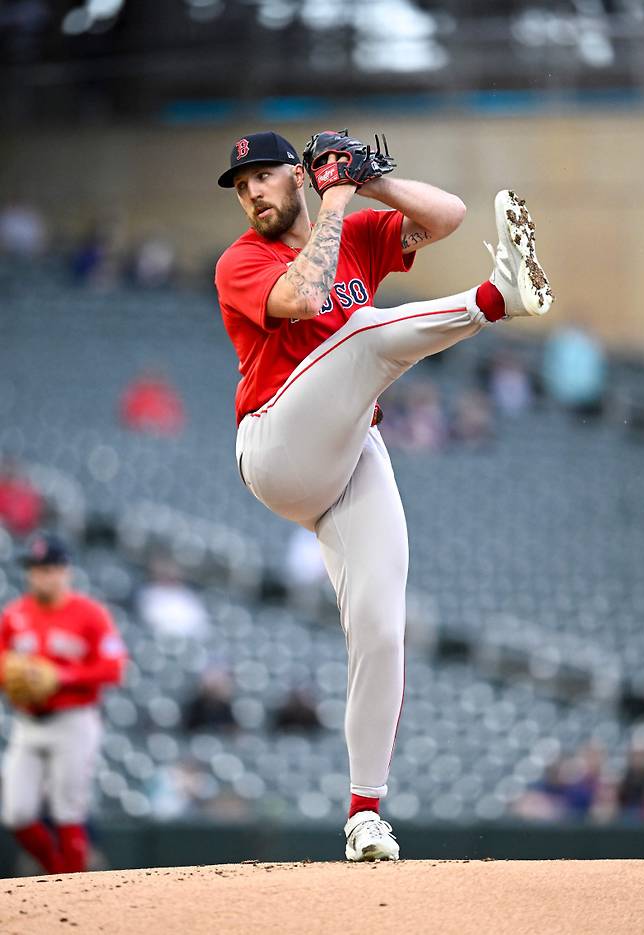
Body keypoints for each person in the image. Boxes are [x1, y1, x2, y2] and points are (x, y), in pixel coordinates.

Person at [214, 130, 554, 861]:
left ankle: (365, 812)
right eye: (241, 186)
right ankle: (496, 298)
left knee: (378, 626)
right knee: (364, 333)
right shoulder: (242, 260)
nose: (251, 194)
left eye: (262, 178)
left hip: (347, 449)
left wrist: (366, 180)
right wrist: (334, 194)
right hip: (277, 445)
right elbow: (306, 295)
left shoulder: (356, 228)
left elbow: (449, 215)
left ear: (293, 177)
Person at [0, 533, 127, 874]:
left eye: (50, 567)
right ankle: (57, 873)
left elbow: (114, 668)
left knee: (67, 810)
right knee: (16, 813)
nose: (42, 575)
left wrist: (61, 677)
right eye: (37, 568)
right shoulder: (15, 615)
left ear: (65, 570)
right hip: (27, 723)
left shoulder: (90, 614)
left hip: (74, 720)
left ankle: (72, 889)